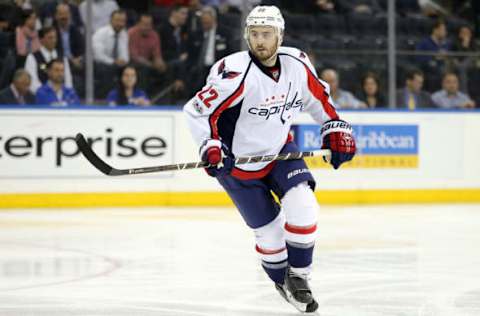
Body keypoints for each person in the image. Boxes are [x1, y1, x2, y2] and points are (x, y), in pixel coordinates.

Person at [183, 5, 356, 313]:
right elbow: (198, 110)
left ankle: (300, 278)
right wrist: (210, 145)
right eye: (254, 34)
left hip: (281, 152)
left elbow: (319, 99)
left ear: (280, 35)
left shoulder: (297, 64)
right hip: (236, 164)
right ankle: (281, 280)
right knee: (271, 234)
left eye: (266, 34)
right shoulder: (233, 73)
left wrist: (334, 127)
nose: (259, 41)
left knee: (304, 205)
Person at [187, 6, 234, 93]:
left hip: (218, 69)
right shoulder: (195, 34)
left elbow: (231, 53)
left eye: (207, 22)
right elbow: (191, 55)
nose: (205, 24)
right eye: (203, 22)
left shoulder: (225, 33)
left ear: (214, 19)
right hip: (199, 69)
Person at [25, 26, 73, 93]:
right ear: (41, 40)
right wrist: (45, 93)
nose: (53, 40)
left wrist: (65, 93)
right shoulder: (32, 58)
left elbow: (68, 79)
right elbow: (32, 81)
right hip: (41, 97)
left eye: (55, 37)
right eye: (50, 38)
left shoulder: (62, 57)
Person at [53, 3, 84, 71]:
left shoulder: (75, 31)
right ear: (56, 16)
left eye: (66, 13)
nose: (64, 16)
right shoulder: (52, 32)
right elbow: (54, 51)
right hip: (59, 63)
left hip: (76, 62)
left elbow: (82, 48)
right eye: (61, 14)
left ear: (70, 15)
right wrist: (70, 60)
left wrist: (78, 58)